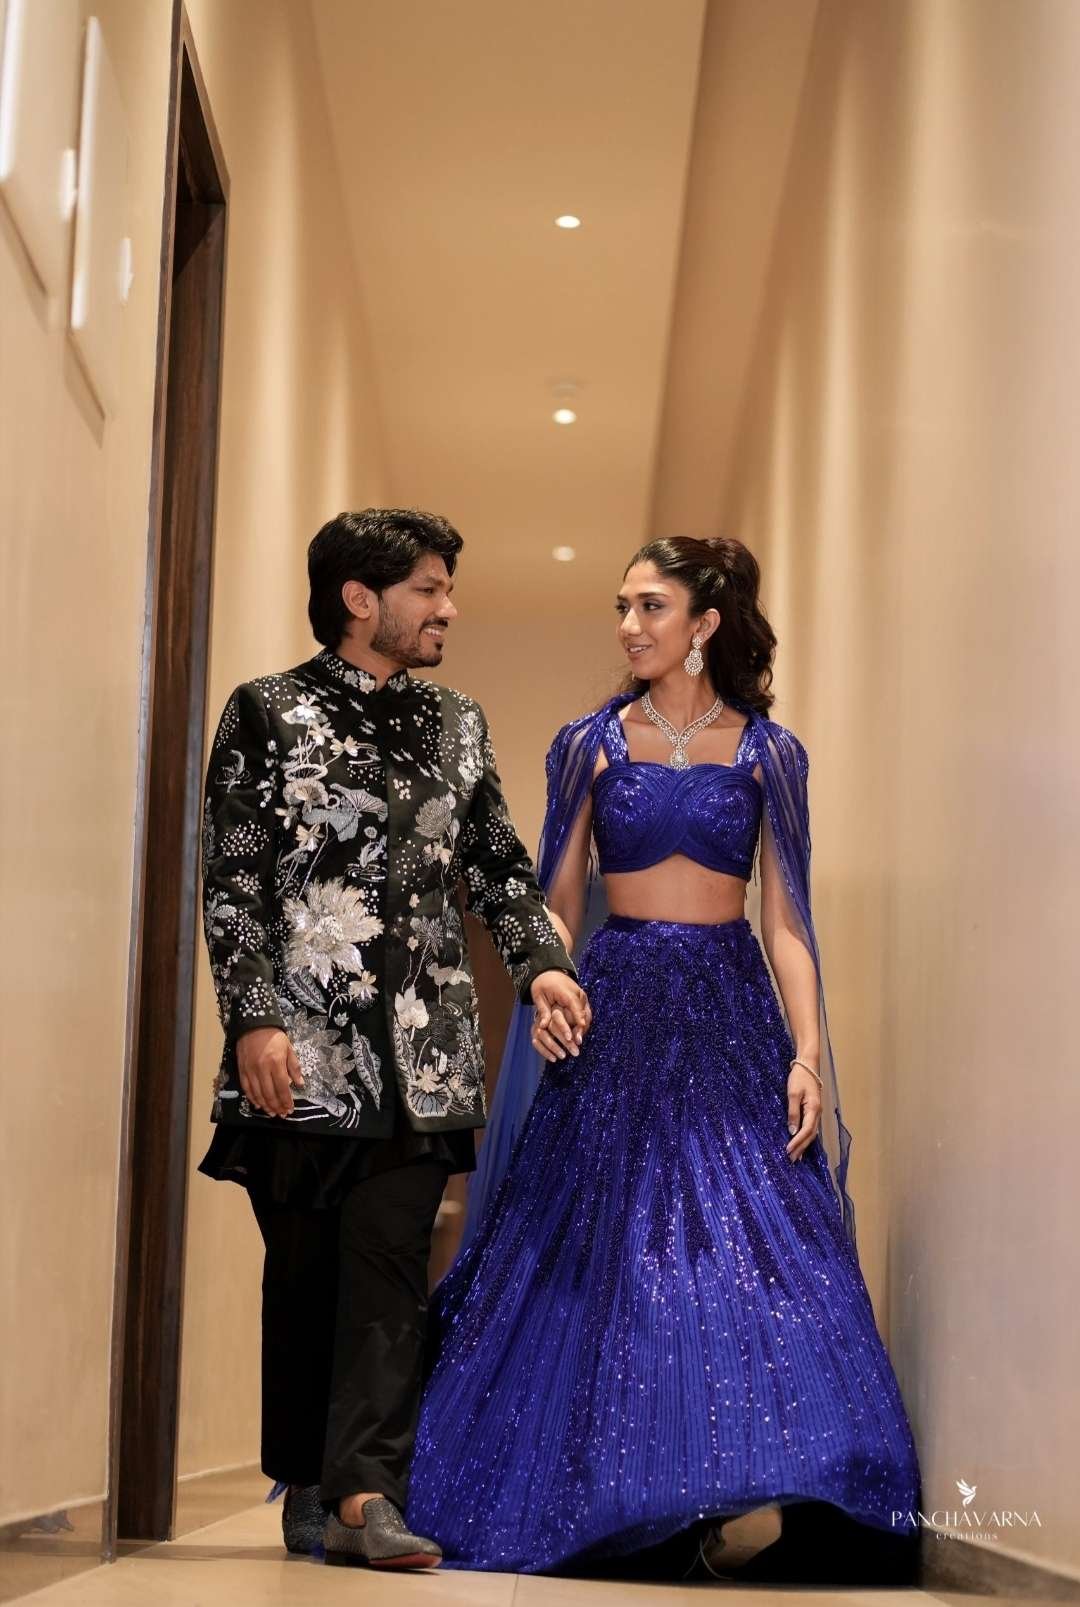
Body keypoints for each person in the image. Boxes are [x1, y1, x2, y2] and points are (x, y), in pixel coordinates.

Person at [405, 535, 921, 1581]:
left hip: (732, 1010)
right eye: (623, 606)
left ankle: (802, 1490)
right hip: (617, 1008)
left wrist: (807, 1054)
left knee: (763, 1242)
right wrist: (548, 982)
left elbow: (788, 919)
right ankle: (625, 1498)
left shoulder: (769, 752)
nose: (629, 625)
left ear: (705, 623)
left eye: (650, 605)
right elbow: (555, 899)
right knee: (612, 1247)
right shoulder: (588, 743)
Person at [197, 508, 589, 1570]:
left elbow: (497, 862)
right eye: (428, 588)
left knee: (388, 1276)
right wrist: (254, 1017)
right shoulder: (266, 711)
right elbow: (233, 880)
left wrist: (542, 963)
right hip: (300, 1055)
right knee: (305, 1278)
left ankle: (367, 1493)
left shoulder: (457, 722)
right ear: (359, 598)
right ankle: (307, 1473)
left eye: (446, 586)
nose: (448, 607)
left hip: (424, 1054)